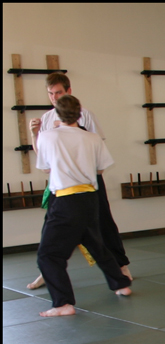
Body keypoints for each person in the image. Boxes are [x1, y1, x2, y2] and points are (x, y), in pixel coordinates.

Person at [28, 72, 131, 290]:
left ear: (69, 91)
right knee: (51, 227)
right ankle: (46, 271)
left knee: (103, 223)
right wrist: (34, 134)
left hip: (89, 181)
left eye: (58, 92)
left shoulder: (85, 116)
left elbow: (97, 150)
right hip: (60, 183)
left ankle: (121, 266)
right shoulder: (46, 119)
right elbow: (44, 158)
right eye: (51, 93)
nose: (54, 97)